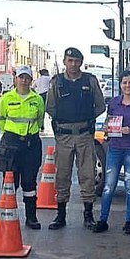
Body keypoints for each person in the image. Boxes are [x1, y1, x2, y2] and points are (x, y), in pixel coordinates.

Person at [45, 47, 106, 230]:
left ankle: (88, 215)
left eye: (77, 61)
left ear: (81, 62)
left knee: (87, 175)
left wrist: (85, 119)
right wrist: (65, 121)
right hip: (64, 137)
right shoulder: (57, 82)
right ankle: (60, 215)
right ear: (64, 61)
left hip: (85, 135)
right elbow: (51, 107)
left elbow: (100, 106)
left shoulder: (90, 80)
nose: (73, 64)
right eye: (70, 61)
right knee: (62, 175)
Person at [93, 70, 130, 235]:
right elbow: (108, 120)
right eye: (125, 83)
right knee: (109, 185)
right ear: (120, 85)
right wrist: (106, 128)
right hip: (115, 147)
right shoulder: (114, 102)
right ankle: (103, 220)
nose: (128, 86)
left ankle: (128, 222)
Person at [0, 66, 45, 229]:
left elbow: (40, 119)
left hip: (31, 145)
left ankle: (31, 218)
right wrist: (11, 134)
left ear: (31, 80)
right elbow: (1, 119)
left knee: (30, 183)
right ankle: (7, 217)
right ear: (15, 79)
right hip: (11, 144)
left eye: (27, 78)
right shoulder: (6, 98)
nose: (24, 81)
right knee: (10, 182)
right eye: (21, 77)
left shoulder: (37, 99)